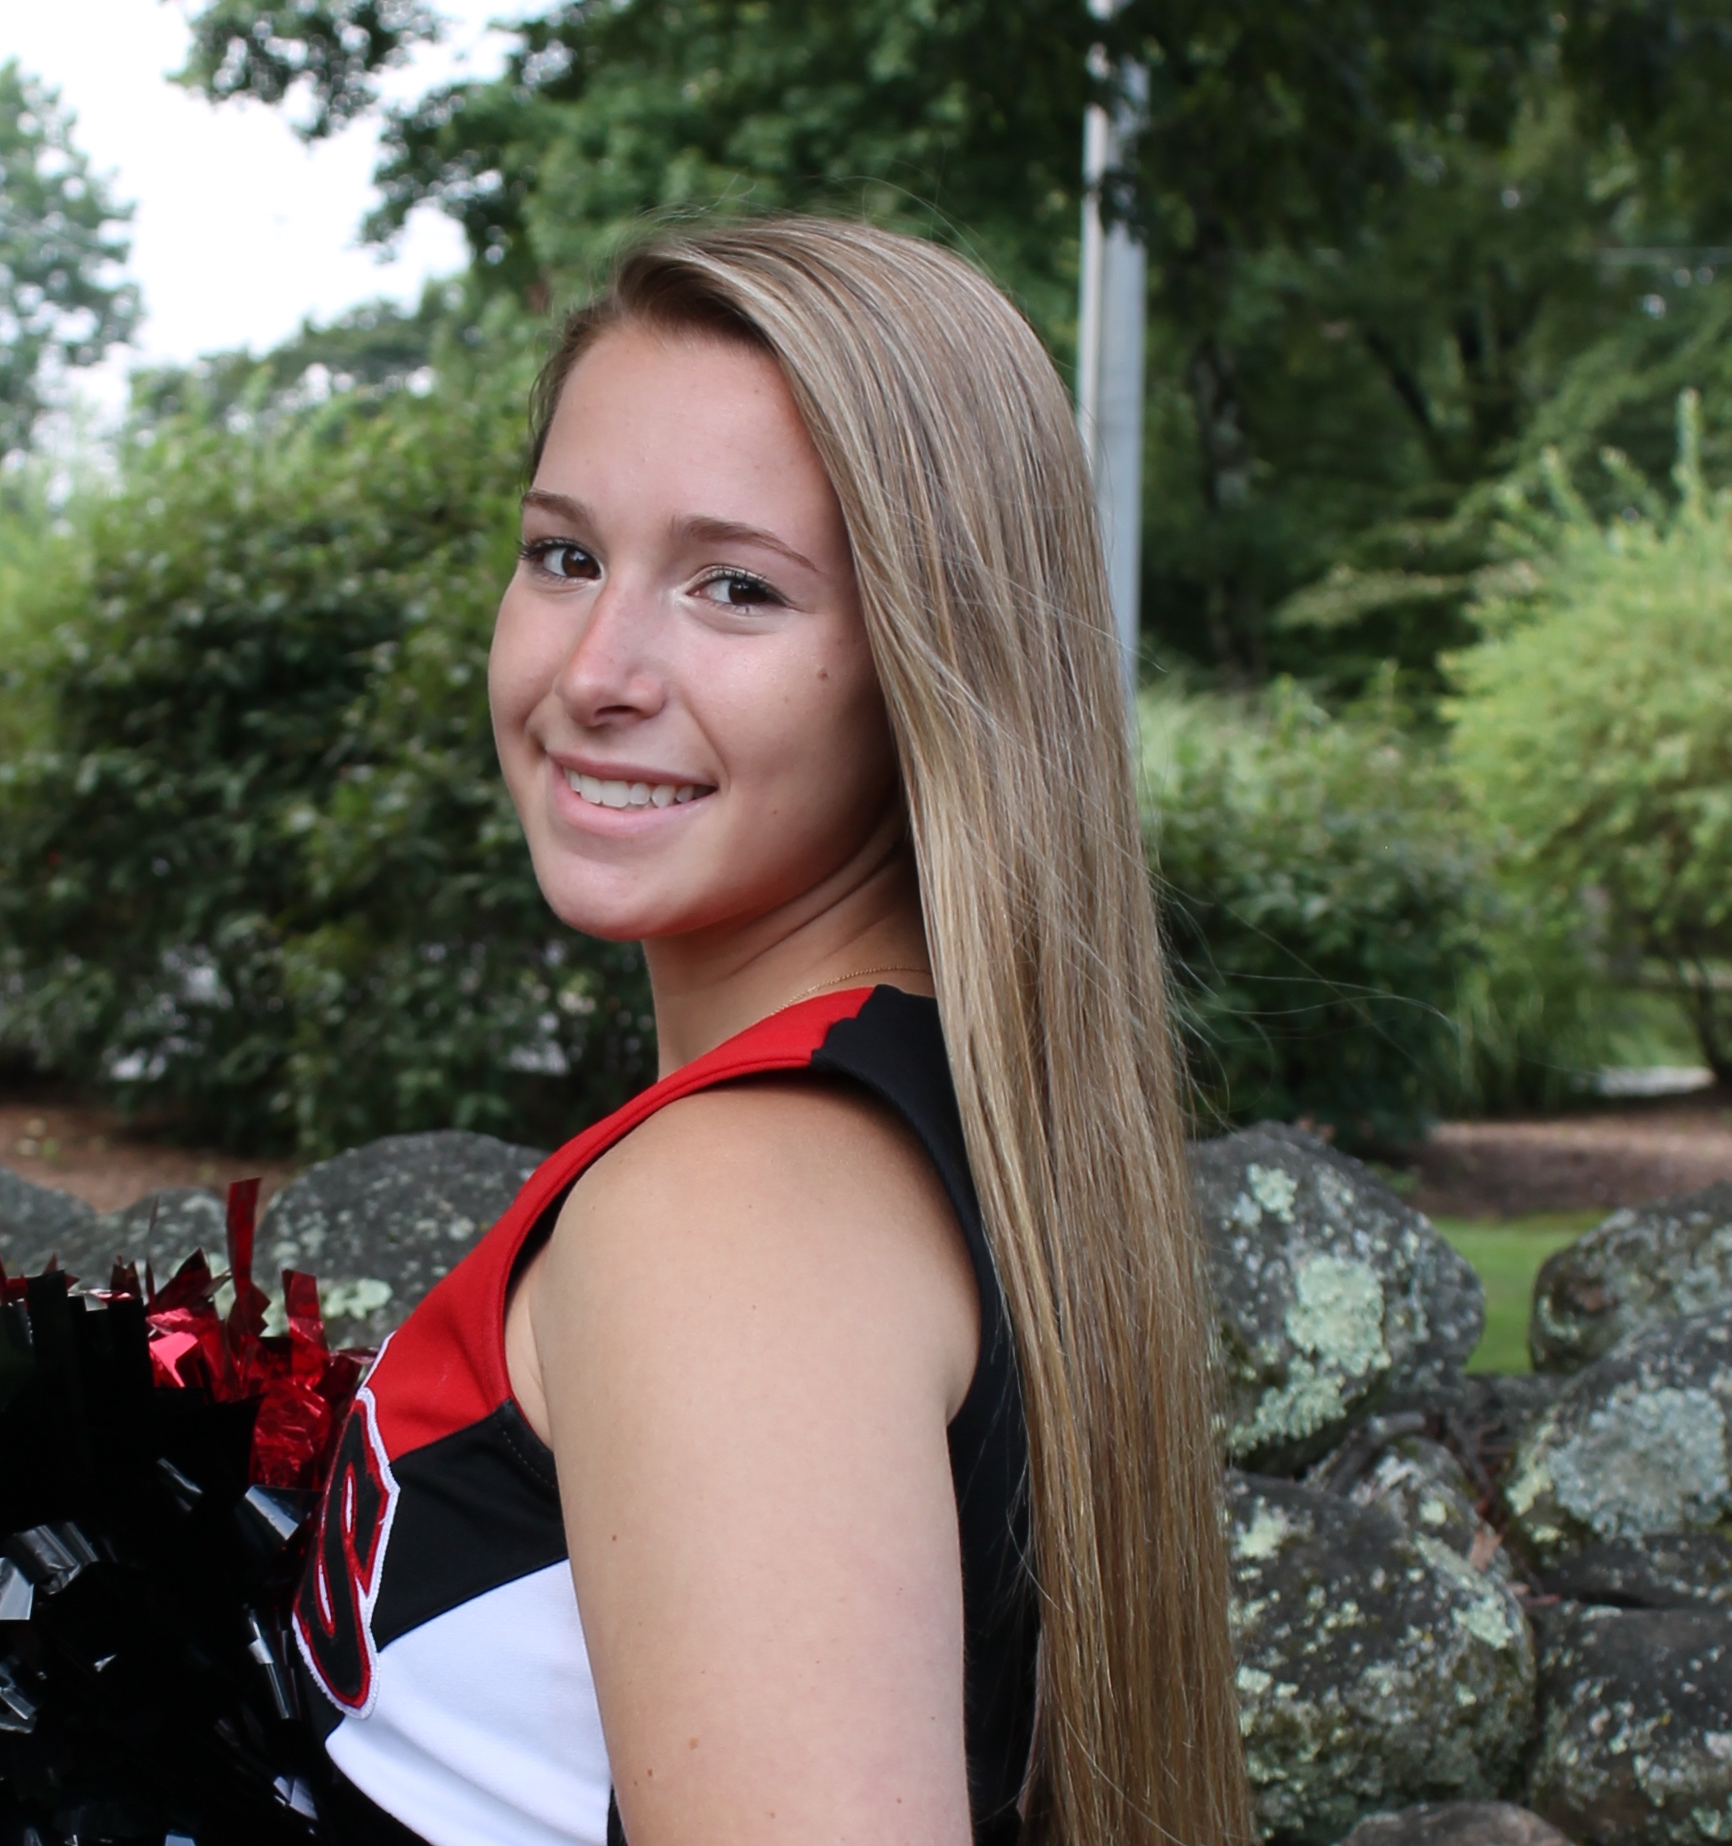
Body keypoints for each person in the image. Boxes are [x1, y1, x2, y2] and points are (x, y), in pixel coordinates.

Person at [288, 217, 1248, 1846]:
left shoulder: (726, 1220)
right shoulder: (920, 1122)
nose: (596, 670)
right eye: (564, 555)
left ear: (935, 665)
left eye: (735, 587)